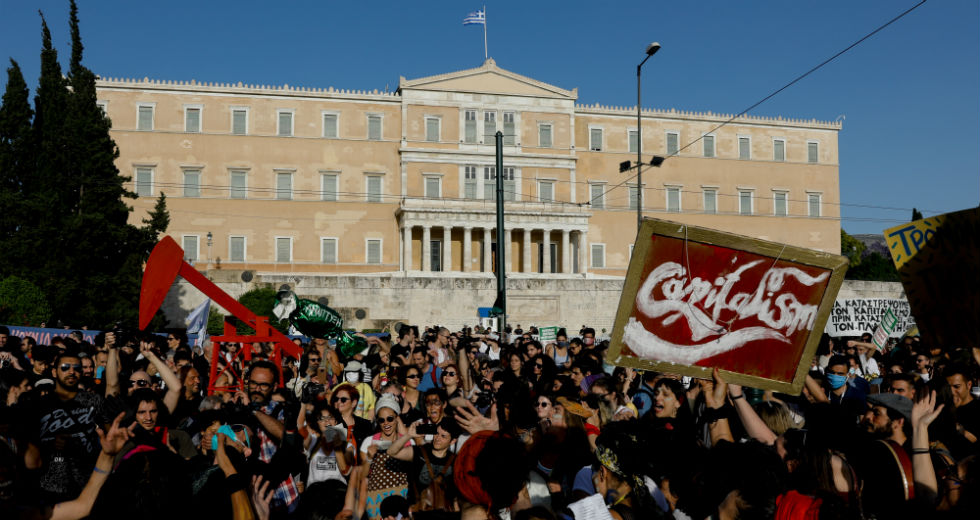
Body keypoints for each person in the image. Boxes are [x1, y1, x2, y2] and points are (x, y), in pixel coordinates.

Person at [30, 351, 106, 502]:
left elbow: (108, 437)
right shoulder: (38, 404)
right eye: (65, 367)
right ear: (54, 371)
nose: (71, 371)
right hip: (47, 489)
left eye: (77, 368)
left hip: (86, 487)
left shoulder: (94, 400)